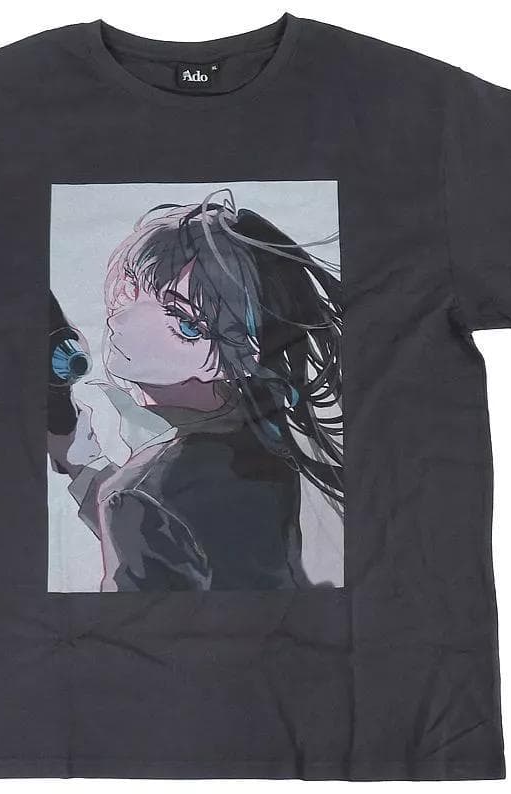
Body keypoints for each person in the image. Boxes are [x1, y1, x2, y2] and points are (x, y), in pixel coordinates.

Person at [48, 189, 343, 591]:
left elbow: (155, 519)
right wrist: (83, 466)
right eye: (131, 287)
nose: (124, 316)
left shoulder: (140, 495)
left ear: (240, 352)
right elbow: (188, 535)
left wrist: (113, 489)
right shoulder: (266, 433)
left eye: (182, 321)